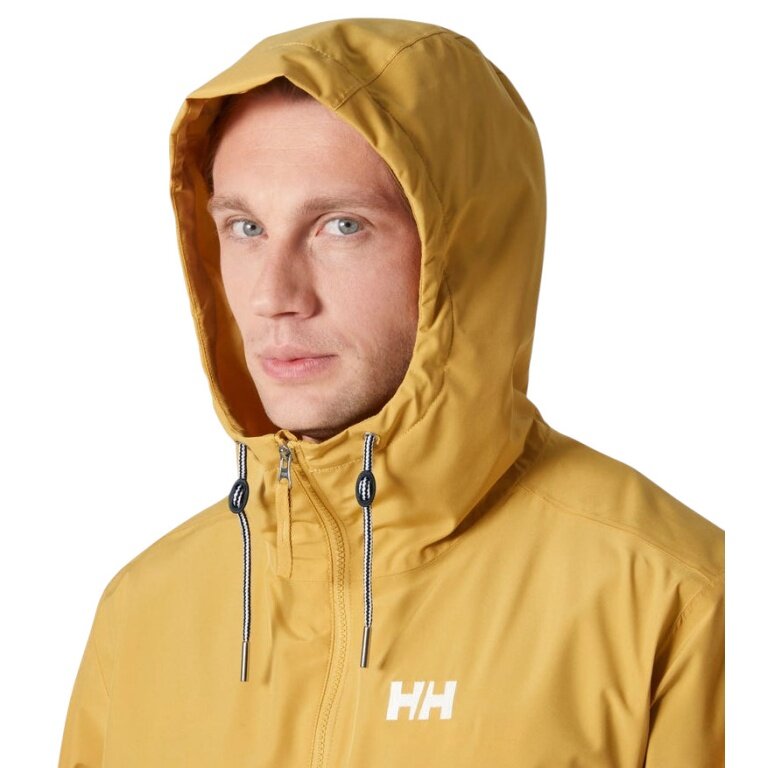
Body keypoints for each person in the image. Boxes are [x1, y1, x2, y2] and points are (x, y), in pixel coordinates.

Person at [58, 17, 724, 767]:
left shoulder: (675, 599)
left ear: (462, 253)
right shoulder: (141, 616)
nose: (274, 296)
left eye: (341, 226)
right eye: (245, 227)